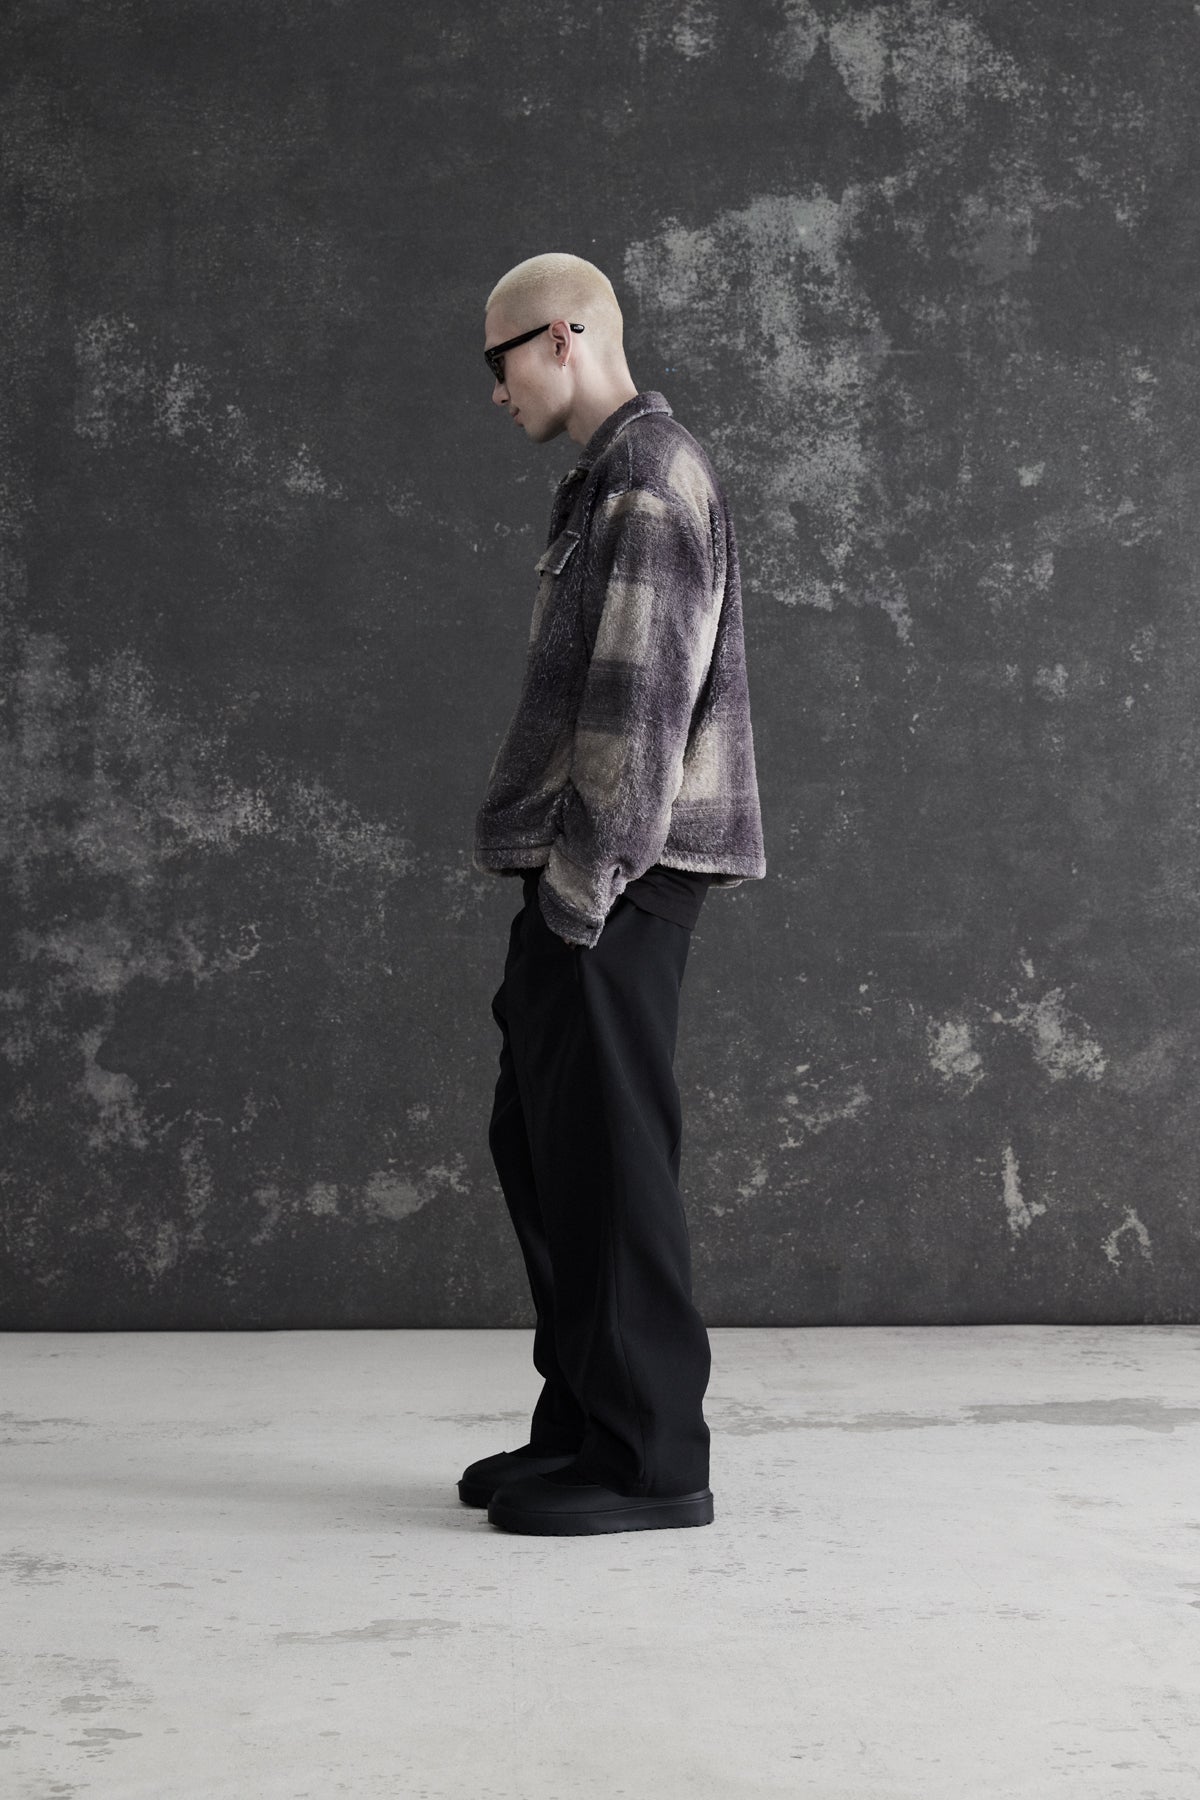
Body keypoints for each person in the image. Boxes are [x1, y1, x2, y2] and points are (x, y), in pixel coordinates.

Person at [462, 251, 766, 1536]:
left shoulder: (649, 479)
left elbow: (639, 712)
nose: (495, 394)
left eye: (500, 364)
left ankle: (652, 1463)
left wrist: (580, 892)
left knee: (610, 1160)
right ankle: (589, 1424)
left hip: (618, 875)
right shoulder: (607, 479)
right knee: (548, 1148)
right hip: (587, 871)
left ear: (562, 337)